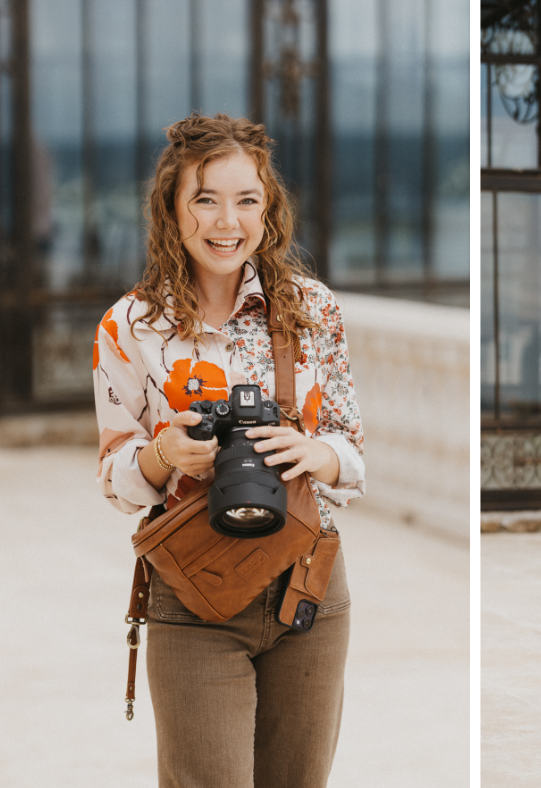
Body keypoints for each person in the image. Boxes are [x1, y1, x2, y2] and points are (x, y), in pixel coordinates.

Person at [93, 113, 365, 787]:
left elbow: (352, 454)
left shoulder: (309, 309)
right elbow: (114, 477)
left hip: (308, 586)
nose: (227, 221)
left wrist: (312, 453)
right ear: (172, 207)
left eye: (247, 200)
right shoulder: (131, 327)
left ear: (268, 211)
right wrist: (165, 455)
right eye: (206, 198)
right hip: (193, 597)